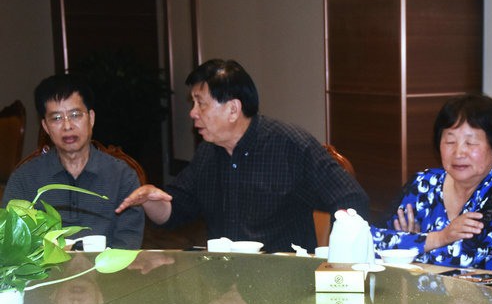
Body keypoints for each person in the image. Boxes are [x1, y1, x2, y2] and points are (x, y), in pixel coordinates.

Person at [115, 59, 369, 253]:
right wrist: (149, 199)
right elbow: (175, 210)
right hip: (224, 285)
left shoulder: (290, 145)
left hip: (282, 285)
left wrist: (338, 261)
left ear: (233, 109)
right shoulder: (208, 152)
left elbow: (351, 198)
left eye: (200, 103)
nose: (193, 113)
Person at [371, 94, 492, 271]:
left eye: (470, 143)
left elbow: (464, 259)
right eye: (450, 141)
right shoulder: (424, 183)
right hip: (428, 287)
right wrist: (438, 238)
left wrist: (411, 246)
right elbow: (367, 241)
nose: (458, 152)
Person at [1, 74, 144, 249]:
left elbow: (129, 242)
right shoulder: (24, 179)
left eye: (75, 115)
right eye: (56, 118)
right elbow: (12, 244)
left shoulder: (122, 176)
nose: (67, 126)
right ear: (45, 127)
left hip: (107, 266)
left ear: (91, 118)